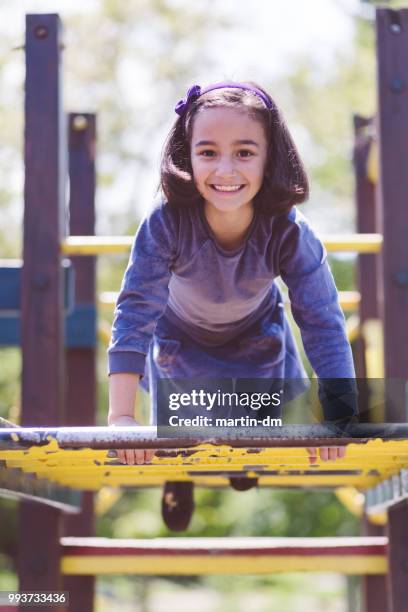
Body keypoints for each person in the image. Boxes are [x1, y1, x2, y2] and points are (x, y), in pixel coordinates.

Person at [107, 81, 358, 527]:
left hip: (254, 338)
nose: (225, 169)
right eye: (208, 152)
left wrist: (338, 412)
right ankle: (179, 472)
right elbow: (136, 311)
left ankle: (245, 455)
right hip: (179, 338)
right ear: (188, 156)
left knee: (258, 416)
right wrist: (122, 416)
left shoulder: (288, 231)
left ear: (270, 158)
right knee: (177, 421)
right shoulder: (166, 222)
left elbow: (321, 319)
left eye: (244, 153)